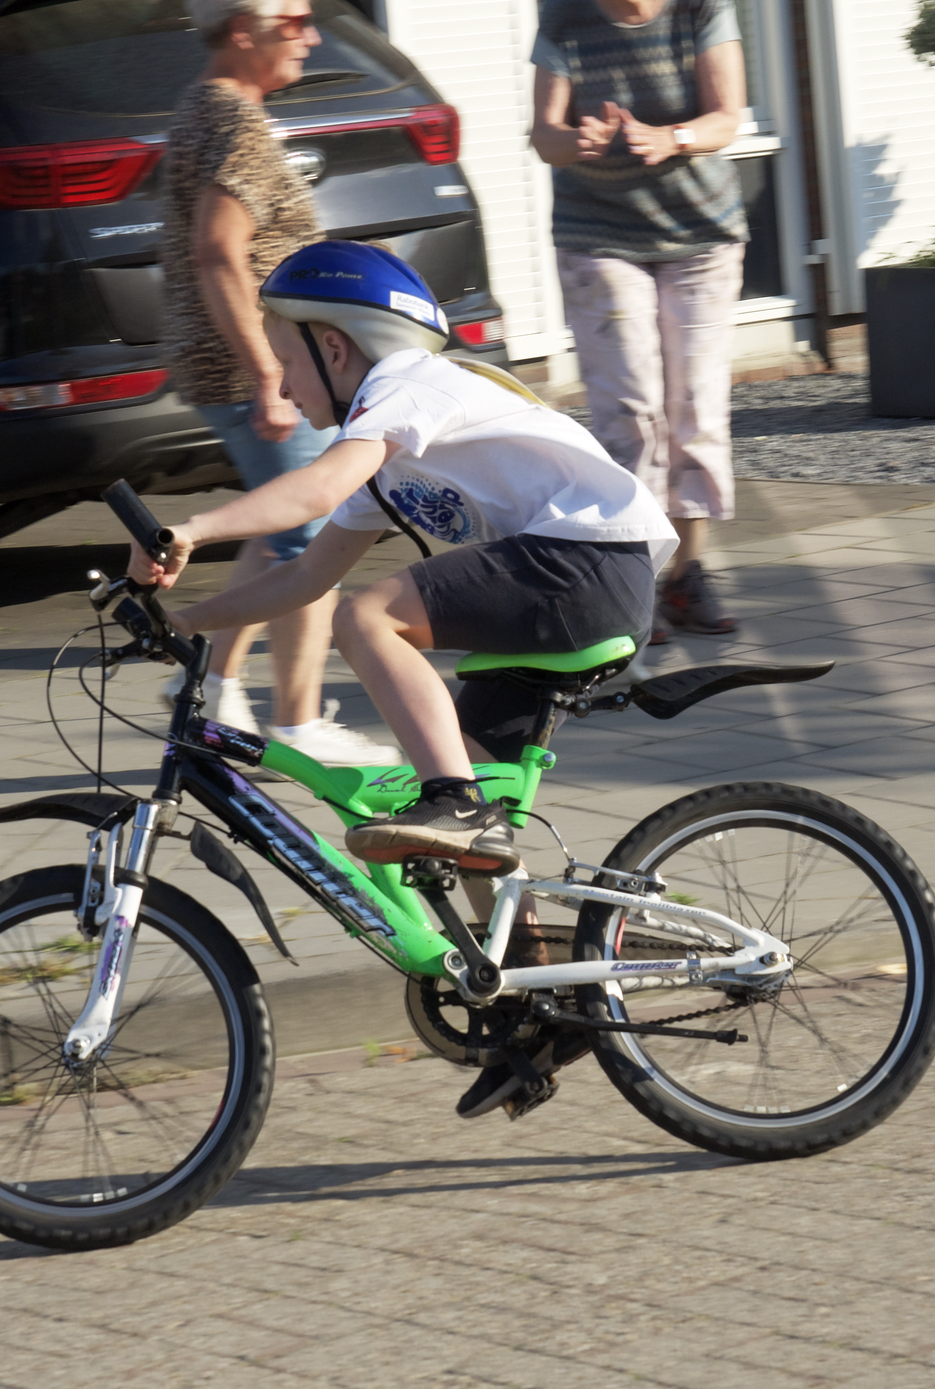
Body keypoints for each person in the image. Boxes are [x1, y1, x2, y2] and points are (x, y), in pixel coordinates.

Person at [132, 242, 674, 1119]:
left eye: (285, 360)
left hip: (589, 562)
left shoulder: (408, 384)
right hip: (568, 581)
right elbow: (302, 575)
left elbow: (313, 492)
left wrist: (188, 528)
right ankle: (536, 1008)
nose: (282, 387)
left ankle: (455, 803)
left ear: (335, 346)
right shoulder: (385, 455)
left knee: (368, 618)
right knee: (470, 807)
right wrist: (182, 623)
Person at [160, 0, 394, 765]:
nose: (311, 35)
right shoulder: (235, 121)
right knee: (312, 539)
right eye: (292, 19)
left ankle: (215, 680)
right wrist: (269, 372)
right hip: (259, 363)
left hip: (227, 359)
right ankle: (294, 720)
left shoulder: (204, 103)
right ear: (242, 29)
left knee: (285, 526)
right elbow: (217, 251)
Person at [529, 0, 747, 642]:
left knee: (697, 410)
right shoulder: (565, 15)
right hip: (599, 238)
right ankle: (633, 582)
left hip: (700, 234)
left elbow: (727, 118)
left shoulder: (700, 9)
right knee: (630, 415)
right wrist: (577, 140)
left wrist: (672, 137)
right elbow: (544, 137)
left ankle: (688, 573)